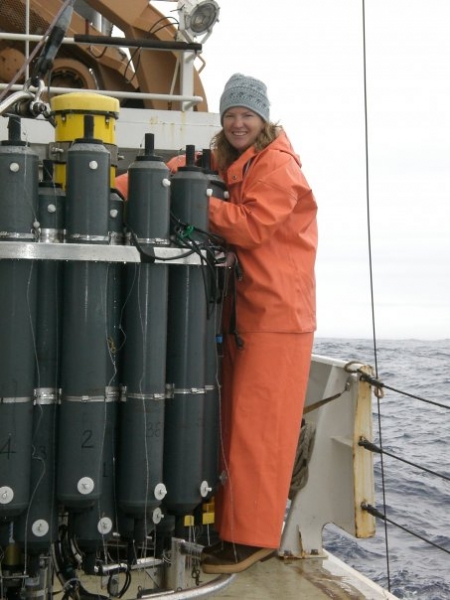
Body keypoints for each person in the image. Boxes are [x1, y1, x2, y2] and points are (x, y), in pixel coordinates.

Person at [115, 73, 318, 575]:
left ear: (263, 118)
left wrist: (190, 201)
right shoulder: (228, 159)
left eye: (246, 114)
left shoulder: (278, 166)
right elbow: (172, 168)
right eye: (230, 115)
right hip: (241, 313)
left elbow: (251, 226)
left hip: (277, 317)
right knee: (232, 426)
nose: (237, 122)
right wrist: (115, 186)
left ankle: (251, 539)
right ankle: (229, 526)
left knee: (258, 433)